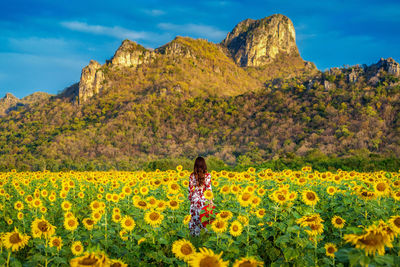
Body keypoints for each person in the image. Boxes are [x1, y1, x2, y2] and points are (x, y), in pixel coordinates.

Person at [188, 156, 213, 236]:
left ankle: (195, 234)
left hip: (195, 198)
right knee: (204, 217)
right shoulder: (208, 175)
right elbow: (209, 189)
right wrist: (211, 201)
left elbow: (190, 189)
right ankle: (205, 235)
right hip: (204, 198)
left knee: (195, 217)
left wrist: (191, 199)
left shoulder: (192, 176)